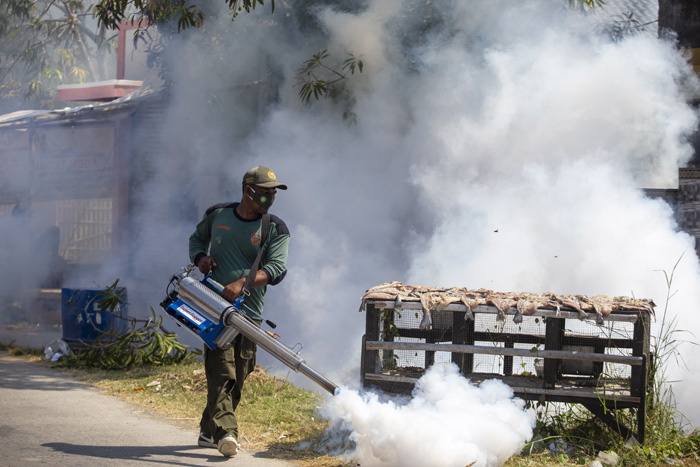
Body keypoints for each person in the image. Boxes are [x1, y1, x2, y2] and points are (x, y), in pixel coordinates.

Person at [189, 166, 290, 457]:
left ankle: (209, 429)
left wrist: (241, 283)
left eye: (273, 194)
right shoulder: (217, 215)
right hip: (213, 309)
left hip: (250, 313)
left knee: (240, 375)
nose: (270, 199)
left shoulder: (274, 227)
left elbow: (276, 269)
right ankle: (226, 434)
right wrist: (201, 259)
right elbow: (196, 240)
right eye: (265, 194)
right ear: (248, 192)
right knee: (222, 370)